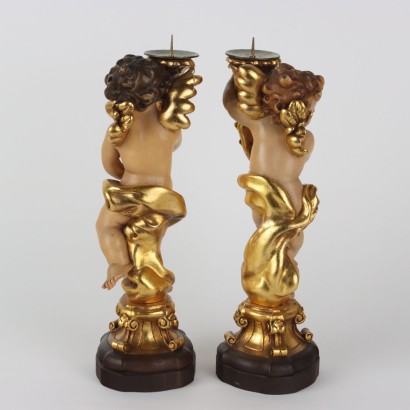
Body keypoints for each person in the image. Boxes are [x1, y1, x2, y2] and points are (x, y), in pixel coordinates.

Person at [96, 55, 188, 290]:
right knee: (147, 235)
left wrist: (129, 178)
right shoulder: (170, 129)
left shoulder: (119, 131)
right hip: (164, 198)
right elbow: (175, 145)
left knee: (106, 225)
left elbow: (109, 165)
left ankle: (118, 262)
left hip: (132, 193)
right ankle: (147, 271)